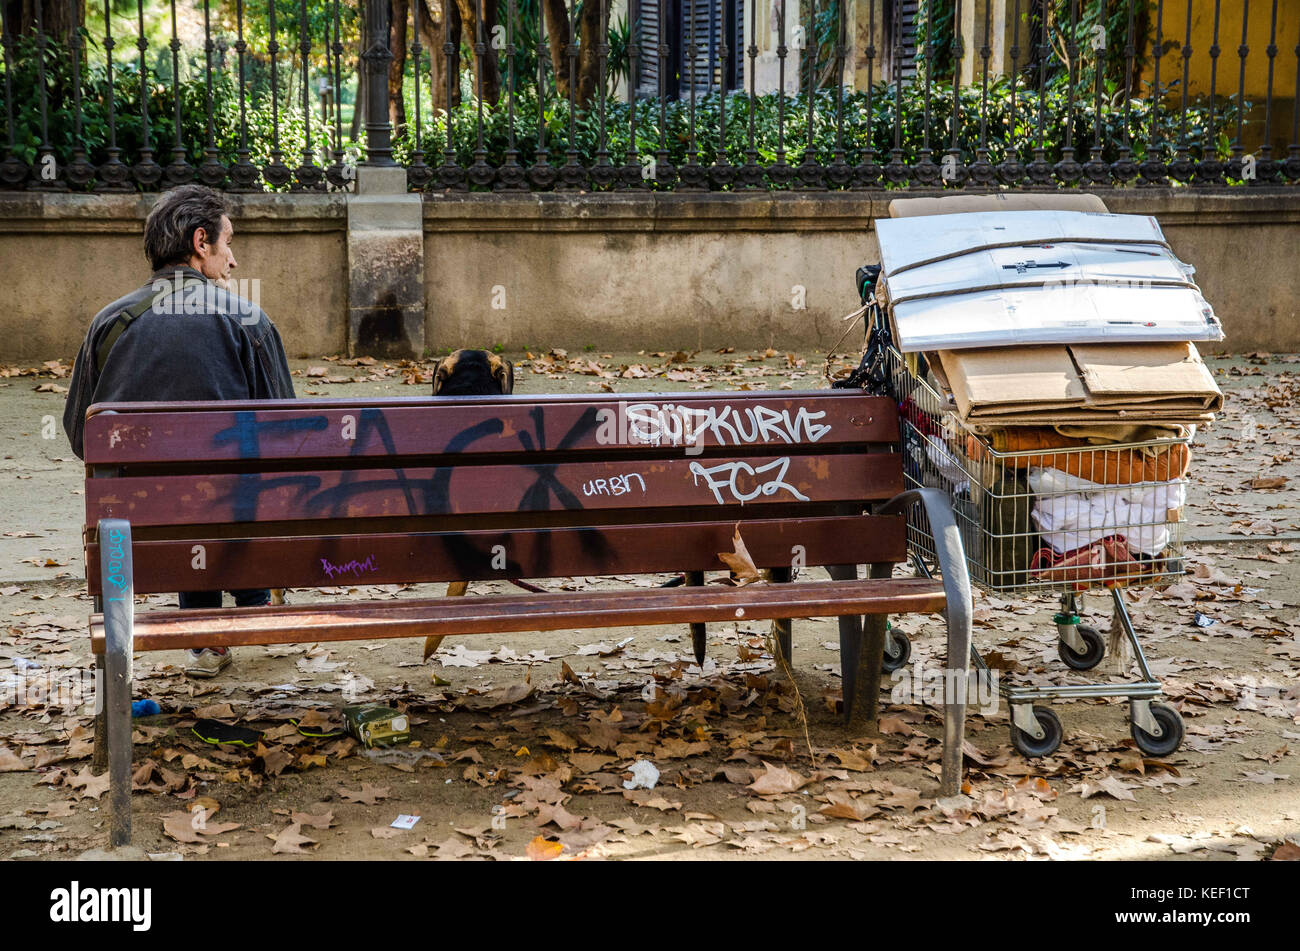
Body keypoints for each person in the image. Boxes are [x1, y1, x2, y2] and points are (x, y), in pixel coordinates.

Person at [64, 184, 295, 678]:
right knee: (228, 476)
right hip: (237, 524)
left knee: (184, 492)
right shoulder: (246, 319)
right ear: (200, 242)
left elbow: (80, 435)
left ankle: (206, 630)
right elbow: (288, 433)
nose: (232, 261)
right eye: (227, 243)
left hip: (142, 536)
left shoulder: (110, 323)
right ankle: (253, 592)